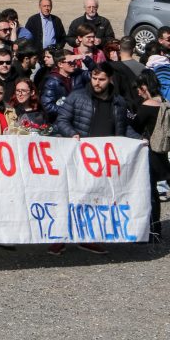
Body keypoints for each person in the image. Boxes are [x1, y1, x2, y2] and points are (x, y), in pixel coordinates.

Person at [50, 62, 137, 255]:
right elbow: (62, 120)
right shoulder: (77, 97)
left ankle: (89, 238)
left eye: (102, 79)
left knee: (97, 199)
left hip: (104, 161)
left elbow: (124, 128)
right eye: (94, 78)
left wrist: (139, 142)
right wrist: (72, 134)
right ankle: (59, 239)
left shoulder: (119, 102)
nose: (97, 83)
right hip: (78, 158)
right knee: (70, 197)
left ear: (110, 79)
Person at [130, 70, 170, 242]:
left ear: (145, 87)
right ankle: (156, 229)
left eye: (139, 89)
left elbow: (135, 126)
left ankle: (150, 230)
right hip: (160, 152)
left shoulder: (148, 105)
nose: (138, 92)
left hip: (149, 153)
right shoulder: (165, 102)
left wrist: (128, 115)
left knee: (148, 192)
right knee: (153, 192)